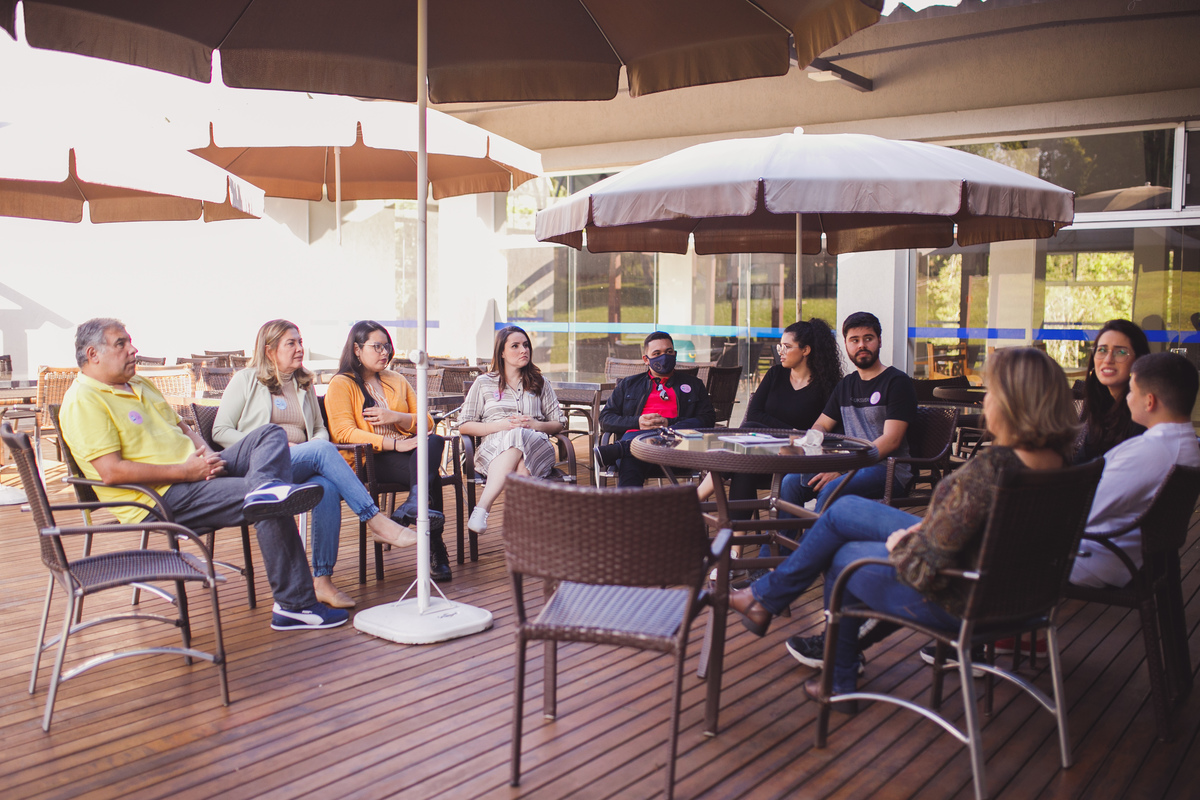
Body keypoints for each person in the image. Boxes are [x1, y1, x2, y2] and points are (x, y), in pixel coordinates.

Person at [727, 347, 1079, 709]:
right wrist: (928, 528)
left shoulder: (993, 470)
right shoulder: (1065, 466)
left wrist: (902, 543)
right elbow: (988, 530)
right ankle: (770, 603)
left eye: (993, 393)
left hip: (963, 599)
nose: (987, 401)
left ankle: (831, 668)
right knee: (844, 510)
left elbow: (921, 568)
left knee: (844, 556)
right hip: (1022, 595)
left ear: (1012, 404)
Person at [58, 318, 349, 632]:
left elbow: (183, 427)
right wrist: (185, 471)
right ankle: (295, 605)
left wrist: (207, 454)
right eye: (121, 344)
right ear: (93, 354)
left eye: (129, 341)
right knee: (270, 500)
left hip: (197, 471)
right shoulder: (84, 400)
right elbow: (112, 473)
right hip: (159, 497)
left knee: (269, 435)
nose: (134, 349)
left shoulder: (138, 383)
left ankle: (265, 491)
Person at [213, 320, 418, 607]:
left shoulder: (302, 383)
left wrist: (310, 446)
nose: (300, 348)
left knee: (326, 487)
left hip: (300, 460)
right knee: (321, 451)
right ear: (270, 350)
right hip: (260, 466)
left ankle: (322, 580)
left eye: (300, 341)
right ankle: (375, 519)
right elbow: (221, 431)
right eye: (291, 343)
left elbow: (320, 429)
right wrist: (274, 445)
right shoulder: (246, 380)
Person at [324, 320, 452, 582]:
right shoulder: (341, 384)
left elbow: (426, 422)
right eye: (377, 346)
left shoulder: (397, 379)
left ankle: (415, 504)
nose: (385, 352)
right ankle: (434, 547)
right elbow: (343, 433)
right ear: (357, 349)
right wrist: (395, 443)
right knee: (431, 475)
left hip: (406, 451)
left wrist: (395, 416)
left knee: (435, 442)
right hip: (369, 459)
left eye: (387, 346)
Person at [1072, 351, 1200, 587]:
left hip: (1099, 558)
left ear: (1149, 401)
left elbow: (1083, 514)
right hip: (1138, 556)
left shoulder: (1148, 451)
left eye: (1131, 391)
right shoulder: (1189, 445)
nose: (1127, 398)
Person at [694, 318, 843, 521]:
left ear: (806, 350)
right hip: (765, 455)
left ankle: (696, 499)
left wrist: (788, 438)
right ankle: (736, 549)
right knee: (745, 460)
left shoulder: (827, 387)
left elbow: (830, 433)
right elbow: (754, 413)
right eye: (780, 345)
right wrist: (789, 435)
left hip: (797, 460)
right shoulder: (775, 374)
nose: (780, 351)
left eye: (787, 347)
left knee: (749, 435)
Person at [777, 311, 917, 512]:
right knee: (791, 483)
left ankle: (814, 543)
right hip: (850, 464)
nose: (861, 345)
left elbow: (891, 440)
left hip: (888, 470)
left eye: (868, 339)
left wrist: (844, 468)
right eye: (854, 340)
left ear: (879, 341)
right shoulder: (846, 385)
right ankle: (779, 545)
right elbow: (822, 424)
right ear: (846, 345)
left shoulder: (896, 382)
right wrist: (810, 445)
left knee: (832, 489)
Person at [459, 325, 566, 534]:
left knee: (519, 434)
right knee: (521, 470)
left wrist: (534, 425)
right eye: (515, 346)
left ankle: (482, 508)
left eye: (526, 345)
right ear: (502, 352)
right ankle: (525, 535)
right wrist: (501, 425)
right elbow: (464, 424)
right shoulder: (483, 383)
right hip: (494, 448)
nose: (523, 350)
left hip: (537, 445)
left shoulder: (540, 383)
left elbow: (558, 423)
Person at [595, 331, 716, 487]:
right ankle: (628, 508)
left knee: (632, 450)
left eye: (669, 352)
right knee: (633, 456)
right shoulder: (629, 384)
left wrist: (669, 423)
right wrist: (637, 422)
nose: (664, 356)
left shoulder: (694, 384)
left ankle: (623, 448)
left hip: (677, 449)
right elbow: (605, 419)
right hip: (637, 451)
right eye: (657, 353)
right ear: (646, 359)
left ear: (675, 354)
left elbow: (707, 419)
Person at [1074, 318, 1151, 463]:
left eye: (1120, 352)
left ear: (1139, 360)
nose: (1108, 359)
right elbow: (1080, 464)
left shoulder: (1142, 413)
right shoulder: (1102, 405)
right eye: (1102, 350)